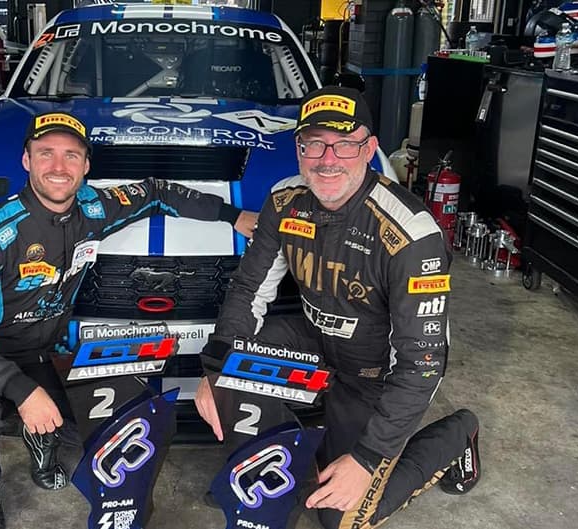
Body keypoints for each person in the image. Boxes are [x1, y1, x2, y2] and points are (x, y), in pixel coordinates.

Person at [0, 111, 257, 529]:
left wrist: (233, 217)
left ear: (86, 166)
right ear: (26, 161)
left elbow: (156, 192)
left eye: (71, 155)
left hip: (46, 356)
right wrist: (21, 391)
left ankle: (42, 440)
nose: (58, 167)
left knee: (97, 444)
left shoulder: (95, 209)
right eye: (45, 154)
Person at [194, 86, 481, 529]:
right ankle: (265, 465)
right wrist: (217, 371)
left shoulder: (411, 233)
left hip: (375, 375)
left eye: (345, 144)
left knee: (340, 518)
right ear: (299, 149)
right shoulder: (285, 199)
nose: (328, 159)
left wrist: (366, 460)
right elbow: (249, 288)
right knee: (230, 360)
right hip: (314, 341)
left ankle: (457, 434)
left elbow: (422, 364)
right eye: (314, 143)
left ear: (369, 149)